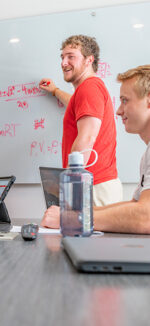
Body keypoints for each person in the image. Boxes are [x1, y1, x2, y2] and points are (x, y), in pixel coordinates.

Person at [42, 65, 150, 234]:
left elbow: (146, 217)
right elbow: (136, 206)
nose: (119, 111)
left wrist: (71, 218)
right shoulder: (147, 155)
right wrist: (73, 214)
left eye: (125, 101)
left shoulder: (91, 86)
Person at [39, 35, 122, 206]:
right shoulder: (88, 90)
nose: (63, 62)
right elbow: (76, 105)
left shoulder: (89, 87)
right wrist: (55, 91)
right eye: (62, 57)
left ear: (88, 60)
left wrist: (70, 186)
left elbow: (86, 138)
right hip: (94, 185)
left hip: (92, 187)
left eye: (71, 56)